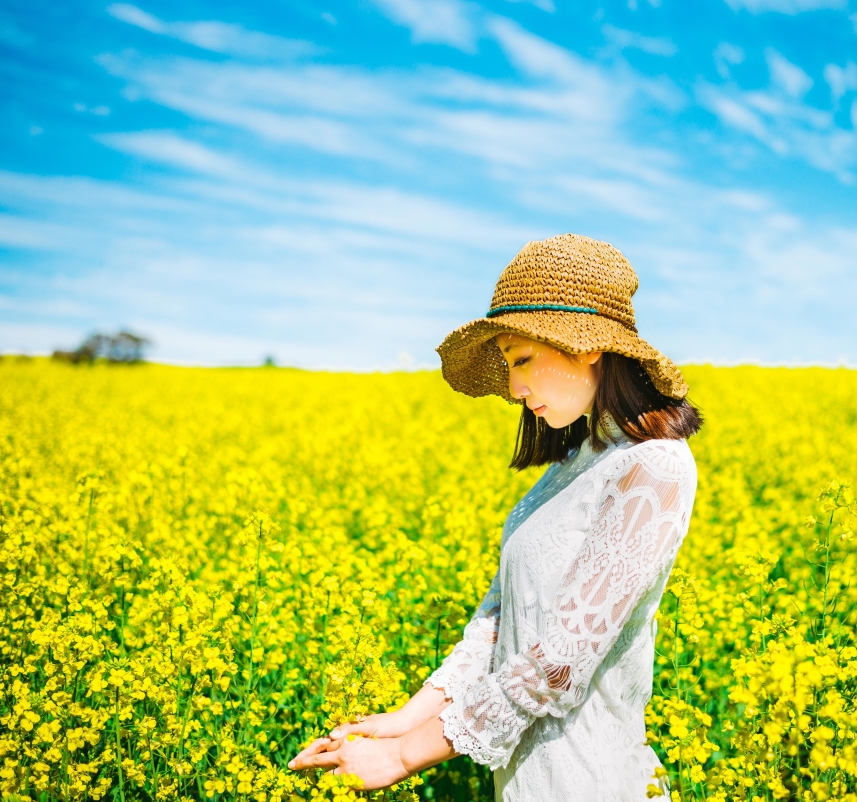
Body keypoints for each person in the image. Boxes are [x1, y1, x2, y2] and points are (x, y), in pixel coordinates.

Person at [289, 233, 701, 800]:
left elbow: (557, 663)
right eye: (508, 365)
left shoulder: (654, 468)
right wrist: (402, 719)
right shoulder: (569, 467)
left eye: (524, 359)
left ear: (586, 347)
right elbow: (500, 623)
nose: (513, 386)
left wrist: (402, 756)